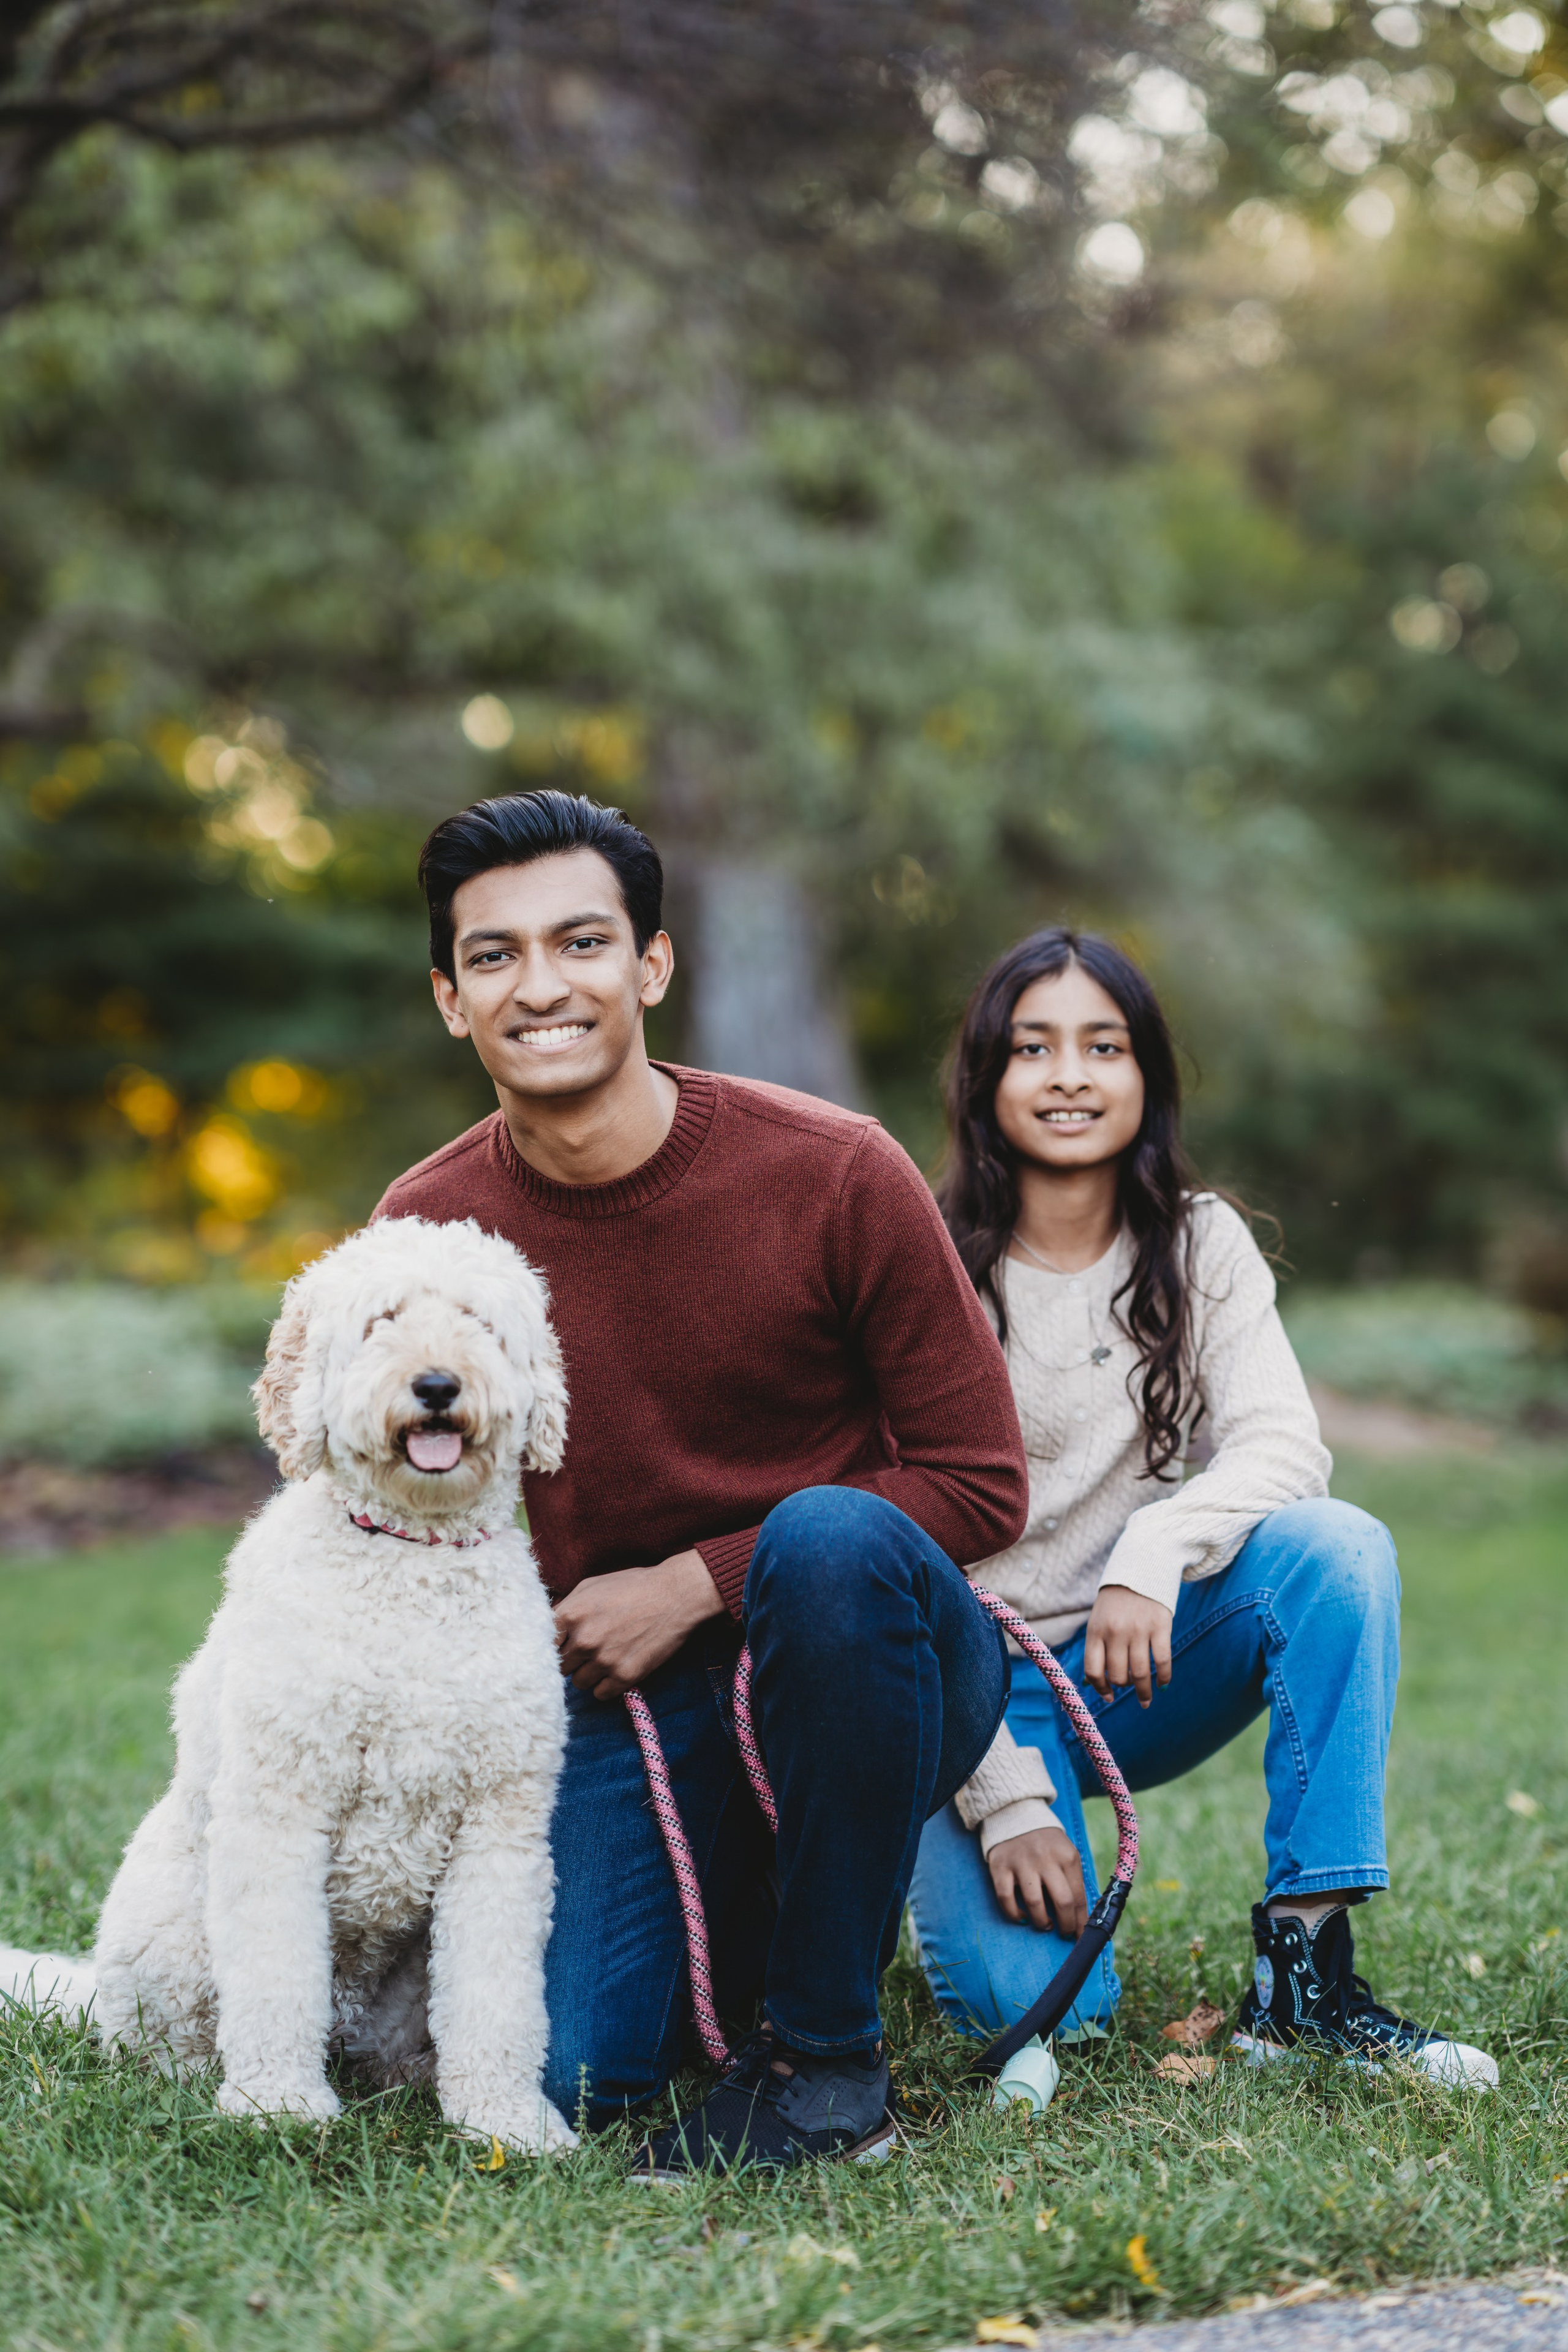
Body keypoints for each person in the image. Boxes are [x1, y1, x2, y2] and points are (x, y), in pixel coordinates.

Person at [372, 787, 1030, 2171]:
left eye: (581, 944)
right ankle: (758, 1922)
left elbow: (978, 1484)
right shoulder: (423, 1228)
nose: (539, 987)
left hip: (868, 1640)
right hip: (615, 1711)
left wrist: (692, 1581)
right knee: (584, 2069)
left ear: (650, 966)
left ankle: (826, 2070)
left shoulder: (835, 1172)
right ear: (449, 998)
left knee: (829, 1539)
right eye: (493, 957)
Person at [907, 927, 1494, 2087]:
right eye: (1034, 1047)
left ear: (1147, 1077)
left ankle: (1305, 1984)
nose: (1070, 1074)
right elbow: (891, 1560)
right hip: (967, 1686)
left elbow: (1285, 1442)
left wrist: (1156, 1546)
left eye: (1103, 1046)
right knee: (1049, 2019)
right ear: (986, 1078)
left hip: (1139, 1664)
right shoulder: (924, 1258)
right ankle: (893, 1869)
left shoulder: (1200, 1241)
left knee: (1337, 1551)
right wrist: (1004, 1793)